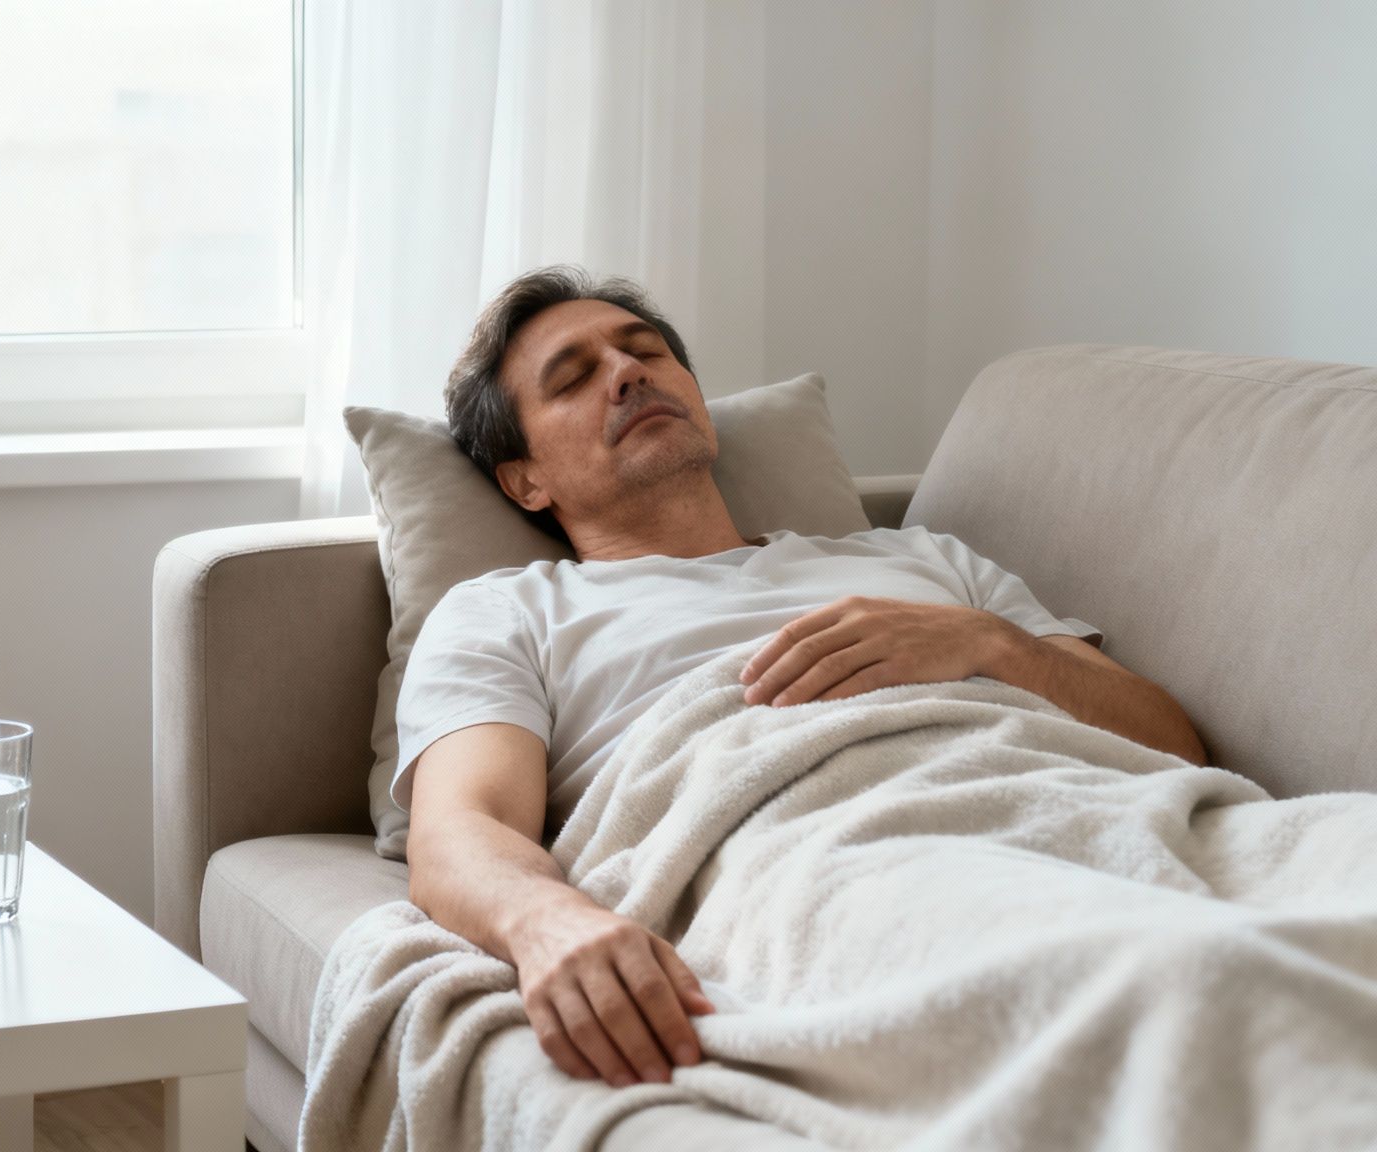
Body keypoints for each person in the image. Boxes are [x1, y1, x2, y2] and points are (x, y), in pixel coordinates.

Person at [396, 265, 1208, 1094]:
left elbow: (1172, 744)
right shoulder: (507, 612)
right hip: (823, 862)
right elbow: (459, 829)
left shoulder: (921, 559)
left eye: (645, 351)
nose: (628, 371)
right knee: (1168, 980)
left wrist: (989, 644)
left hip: (1079, 812)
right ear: (525, 480)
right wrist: (549, 925)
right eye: (573, 377)